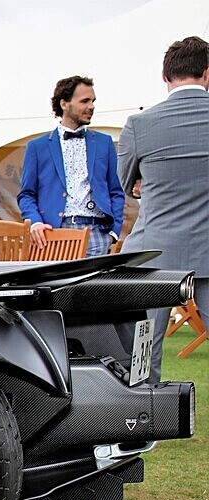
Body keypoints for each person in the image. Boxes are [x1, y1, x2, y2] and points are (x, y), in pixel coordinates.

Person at [118, 36, 209, 378]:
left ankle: (143, 429)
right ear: (207, 74)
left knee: (143, 354)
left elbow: (125, 183)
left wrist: (145, 184)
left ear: (164, 75)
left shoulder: (139, 124)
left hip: (155, 254)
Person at [17, 76, 125, 257]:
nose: (91, 106)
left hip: (97, 232)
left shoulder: (104, 143)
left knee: (95, 286)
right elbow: (26, 194)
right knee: (57, 286)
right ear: (64, 104)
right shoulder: (37, 147)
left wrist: (114, 231)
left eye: (93, 101)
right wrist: (35, 222)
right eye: (85, 101)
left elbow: (116, 191)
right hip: (53, 233)